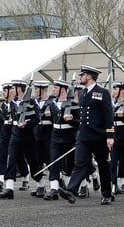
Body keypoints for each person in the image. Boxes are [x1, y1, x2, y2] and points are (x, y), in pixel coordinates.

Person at [58, 65, 115, 205]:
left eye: (82, 75)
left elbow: (108, 115)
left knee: (103, 165)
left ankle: (107, 194)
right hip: (83, 136)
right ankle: (71, 191)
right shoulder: (82, 93)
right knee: (80, 164)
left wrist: (110, 136)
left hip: (99, 135)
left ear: (89, 76)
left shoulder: (102, 92)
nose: (80, 77)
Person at [44, 79, 79, 200]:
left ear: (63, 89)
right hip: (55, 137)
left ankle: (71, 188)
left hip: (69, 136)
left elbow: (80, 122)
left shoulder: (73, 105)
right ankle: (53, 189)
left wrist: (72, 120)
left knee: (70, 163)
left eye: (55, 88)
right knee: (54, 162)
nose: (53, 90)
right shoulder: (51, 104)